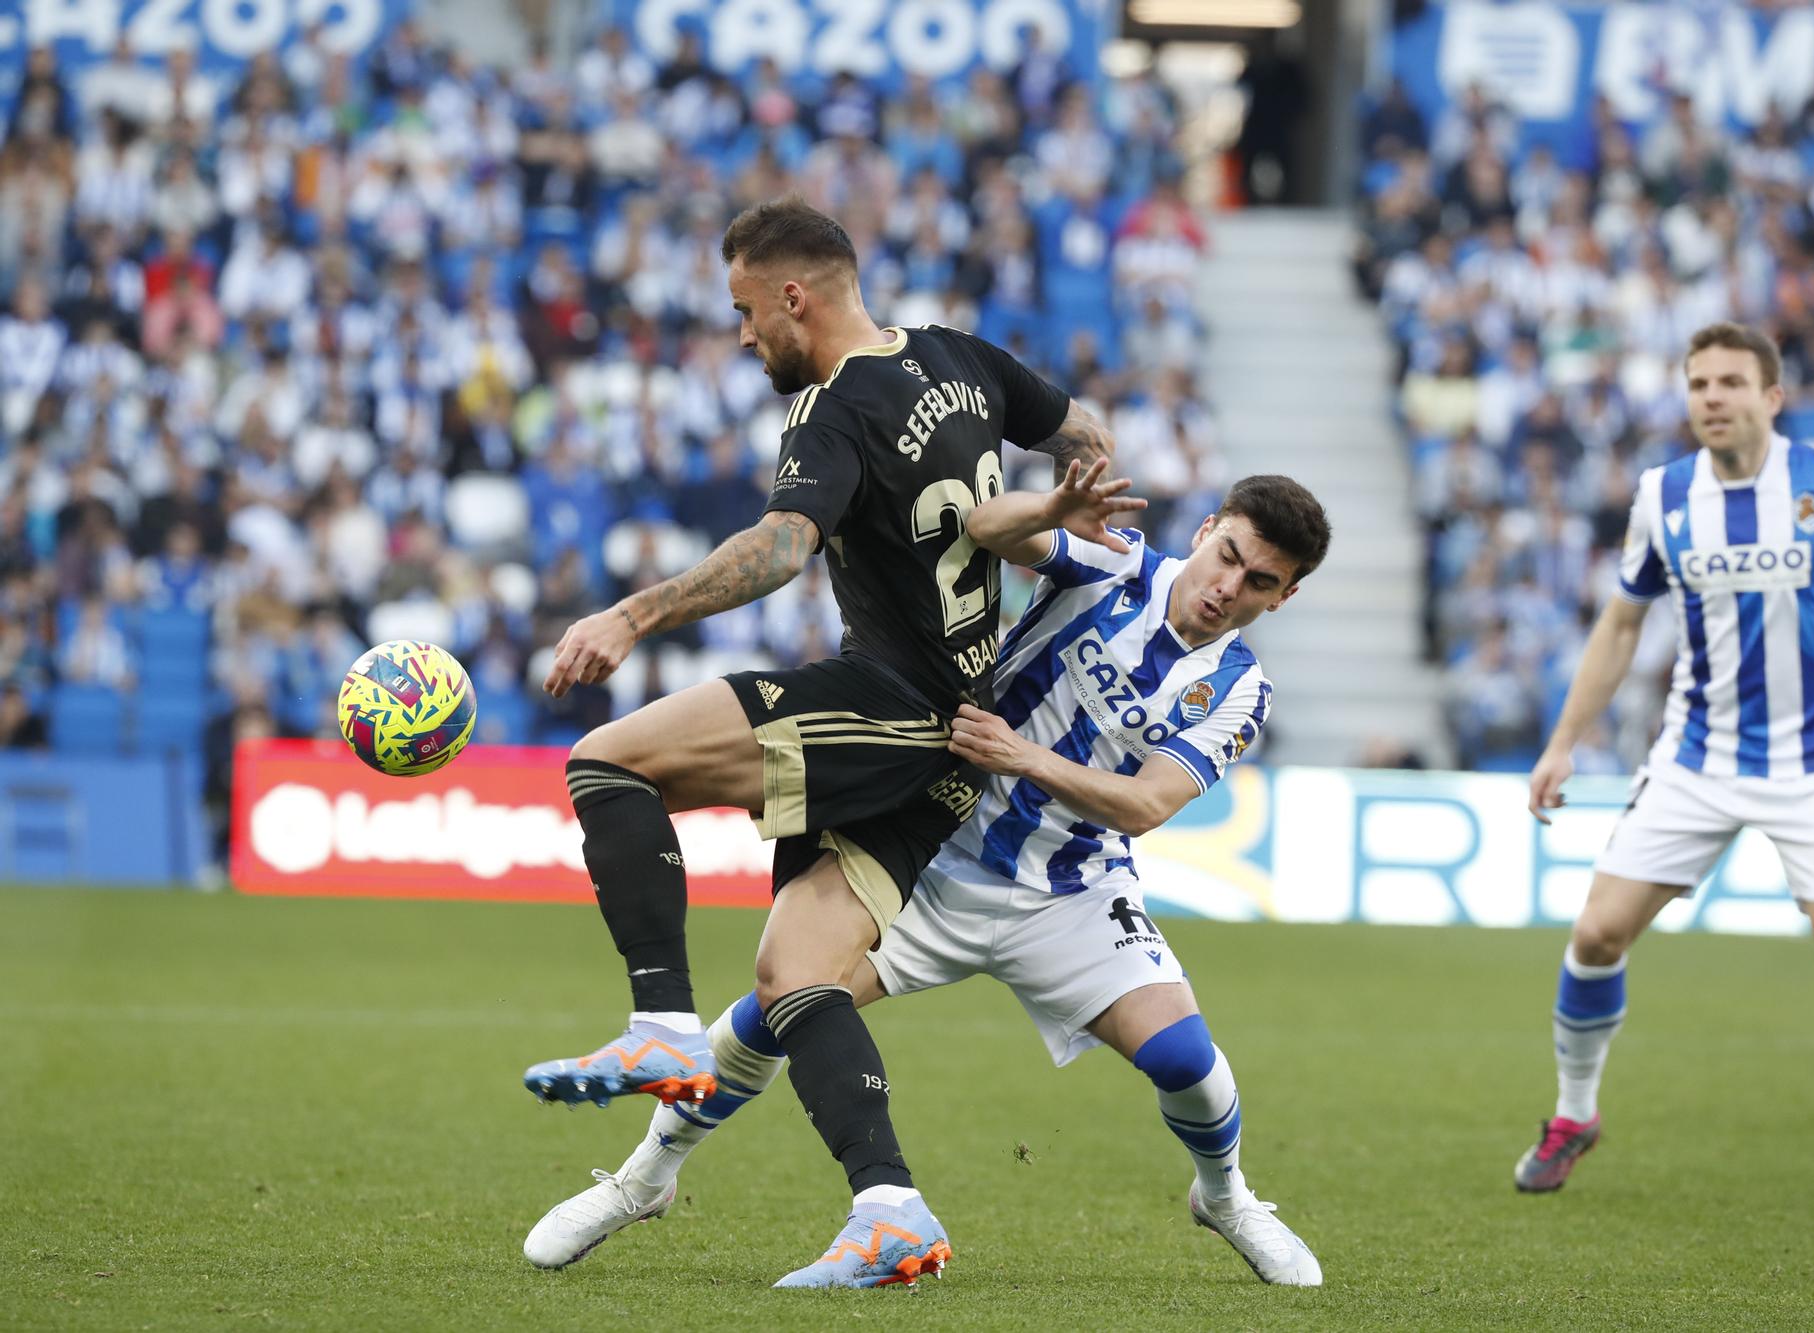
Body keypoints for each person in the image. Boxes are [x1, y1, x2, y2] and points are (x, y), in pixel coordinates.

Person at [522, 475, 1329, 1285]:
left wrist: (1022, 756)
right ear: (1208, 530)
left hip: (1071, 888)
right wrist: (1049, 508)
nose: (1230, 587)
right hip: (932, 842)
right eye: (1229, 555)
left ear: (1284, 596)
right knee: (784, 1005)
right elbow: (985, 522)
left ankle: (1225, 1196)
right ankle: (642, 1181)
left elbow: (1149, 802)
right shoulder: (1113, 561)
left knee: (1185, 1055)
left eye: (1260, 581)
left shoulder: (1240, 689)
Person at [520, 196, 1116, 1286]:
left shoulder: (829, 411)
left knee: (607, 758)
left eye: (746, 311)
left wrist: (627, 615)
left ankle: (659, 1023)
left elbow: (782, 545)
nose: (743, 336)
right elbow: (1082, 437)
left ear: (794, 296)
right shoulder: (962, 357)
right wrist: (1054, 509)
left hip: (893, 701)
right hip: (955, 749)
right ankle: (890, 1209)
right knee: (800, 977)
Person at [1517, 322, 1814, 1207]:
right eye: (1698, 384)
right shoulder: (1663, 493)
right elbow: (1620, 623)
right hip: (1695, 757)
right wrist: (1563, 739)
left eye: (1730, 382)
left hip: (1812, 763)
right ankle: (1575, 1113)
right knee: (1596, 934)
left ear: (1772, 396)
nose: (1712, 398)